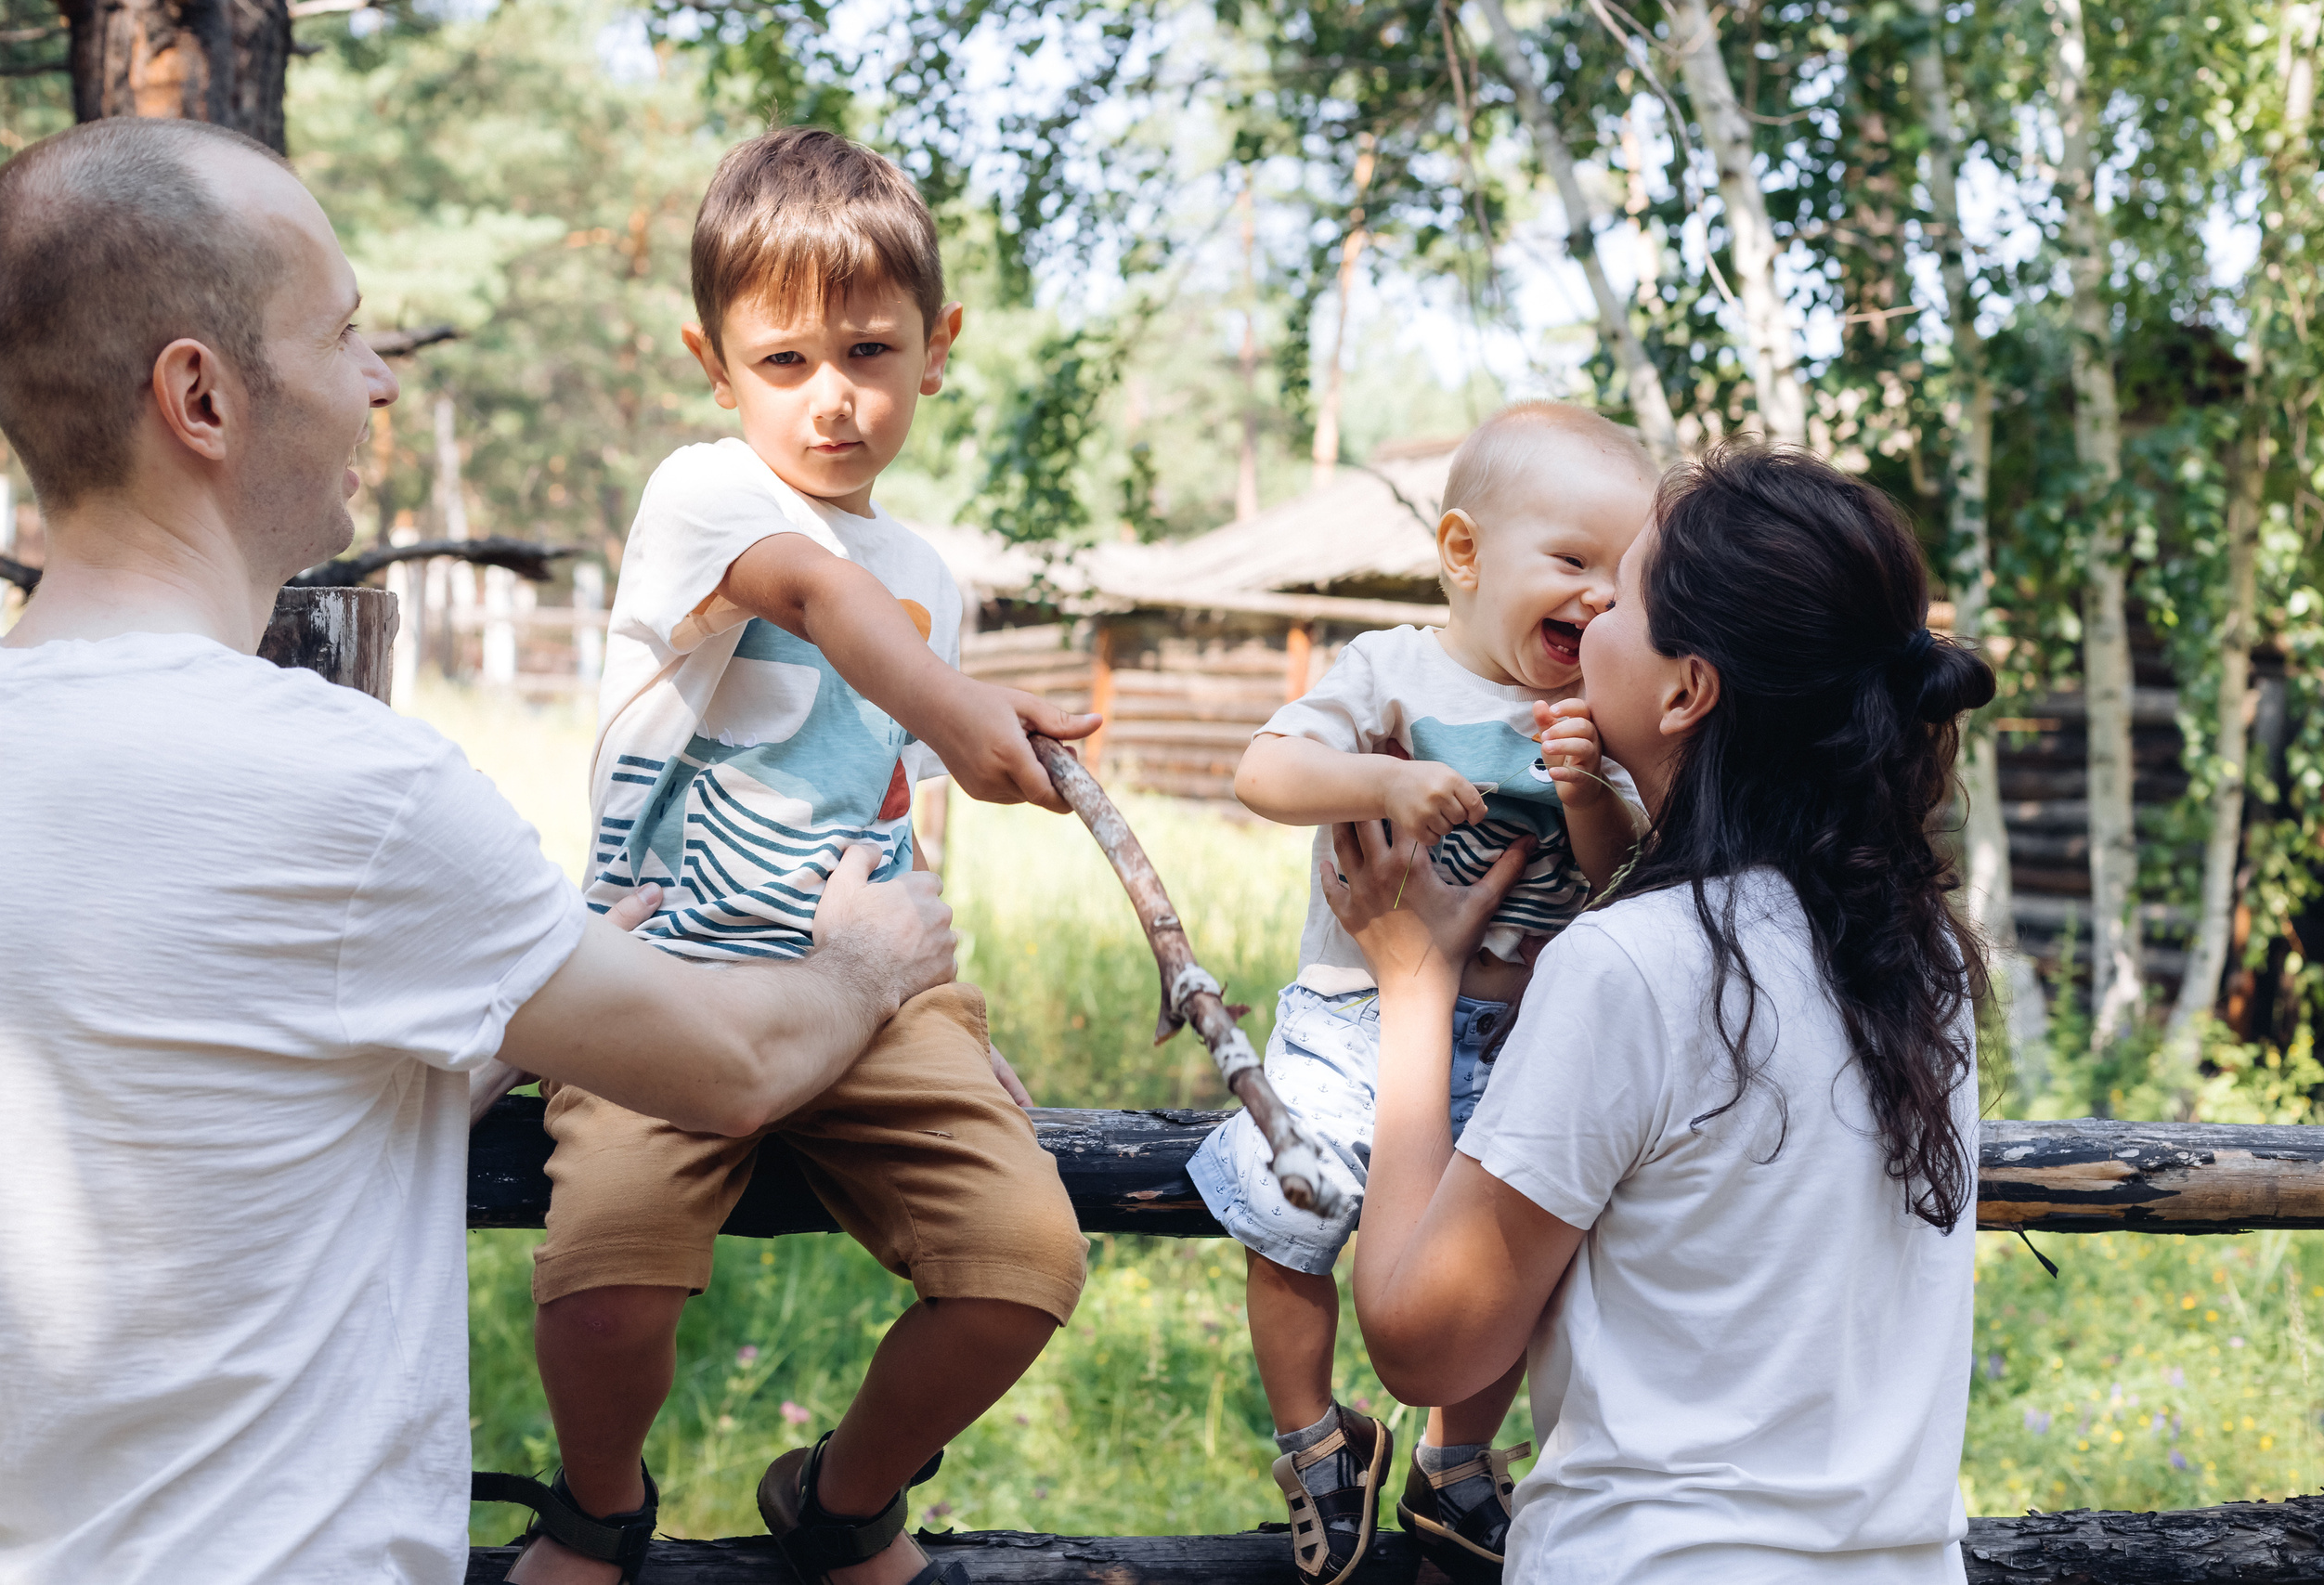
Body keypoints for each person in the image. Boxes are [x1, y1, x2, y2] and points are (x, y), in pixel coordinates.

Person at [0, 119, 962, 1585]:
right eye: (341, 331)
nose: (379, 377)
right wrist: (869, 963)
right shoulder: (350, 788)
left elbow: (216, 1072)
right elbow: (737, 1066)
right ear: (201, 397)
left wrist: (506, 1010)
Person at [508, 126, 1095, 1585]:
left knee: (1027, 1260)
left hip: (872, 989)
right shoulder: (708, 495)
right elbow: (817, 596)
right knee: (607, 1285)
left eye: (869, 351)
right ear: (715, 364)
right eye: (784, 360)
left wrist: (955, 1019)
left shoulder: (931, 576)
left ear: (937, 350)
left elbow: (896, 806)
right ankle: (599, 1503)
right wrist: (960, 706)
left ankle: (841, 1497)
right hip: (664, 974)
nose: (830, 396)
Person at [1338, 440, 1996, 1583]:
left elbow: (1424, 1344)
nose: (1590, 613)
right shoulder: (1917, 953)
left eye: (1625, 597)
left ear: (1686, 690)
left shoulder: (1633, 964)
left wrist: (1412, 986)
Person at [1188, 403, 1654, 1585]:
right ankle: (1314, 1442)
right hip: (1355, 1014)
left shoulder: (1601, 717)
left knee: (1496, 1257)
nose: (1600, 598)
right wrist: (1380, 778)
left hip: (1522, 1030)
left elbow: (1623, 880)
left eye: (1624, 578)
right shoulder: (1389, 669)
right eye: (1572, 560)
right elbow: (1264, 773)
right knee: (1284, 1218)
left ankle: (1456, 1461)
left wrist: (1589, 793)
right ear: (1463, 553)